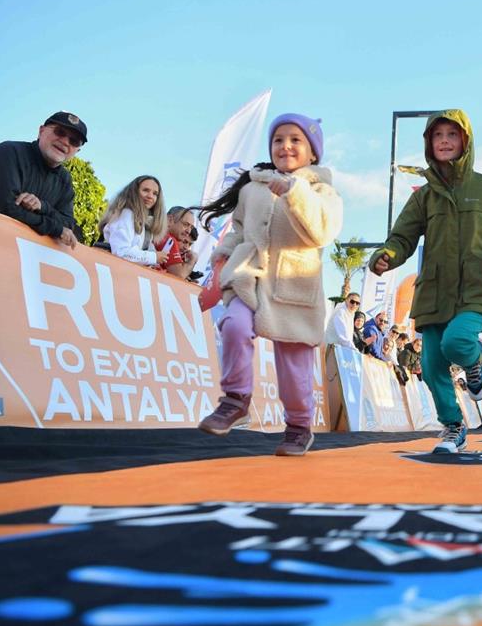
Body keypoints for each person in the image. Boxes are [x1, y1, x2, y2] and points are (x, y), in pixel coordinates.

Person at [368, 109, 482, 454]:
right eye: (437, 135)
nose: (444, 141)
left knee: (458, 341)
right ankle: (453, 427)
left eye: (452, 135)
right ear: (429, 143)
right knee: (432, 365)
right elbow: (402, 237)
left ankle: (476, 365)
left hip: (478, 287)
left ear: (466, 141)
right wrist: (387, 254)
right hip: (434, 291)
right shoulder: (423, 196)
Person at [195, 113, 342, 457]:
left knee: (294, 371)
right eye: (278, 139)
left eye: (295, 140)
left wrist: (295, 193)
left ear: (313, 152)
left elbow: (322, 232)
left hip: (294, 288)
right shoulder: (252, 188)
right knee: (233, 325)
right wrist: (222, 257)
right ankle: (235, 400)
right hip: (250, 277)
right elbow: (239, 230)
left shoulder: (323, 192)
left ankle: (299, 427)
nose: (285, 146)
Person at [0, 111, 86, 250]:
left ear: (77, 151)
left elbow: (68, 224)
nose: (65, 142)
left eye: (74, 141)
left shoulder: (65, 181)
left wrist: (42, 207)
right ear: (41, 131)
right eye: (59, 132)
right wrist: (56, 229)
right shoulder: (9, 152)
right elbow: (4, 208)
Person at [98, 176, 169, 268]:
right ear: (134, 192)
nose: (150, 196)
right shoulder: (127, 214)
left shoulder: (144, 222)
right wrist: (154, 257)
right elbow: (121, 252)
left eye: (155, 193)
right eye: (145, 190)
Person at [158, 206, 198, 279]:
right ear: (170, 220)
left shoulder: (157, 232)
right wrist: (192, 260)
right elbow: (180, 275)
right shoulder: (169, 240)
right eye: (185, 224)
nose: (188, 231)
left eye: (191, 227)